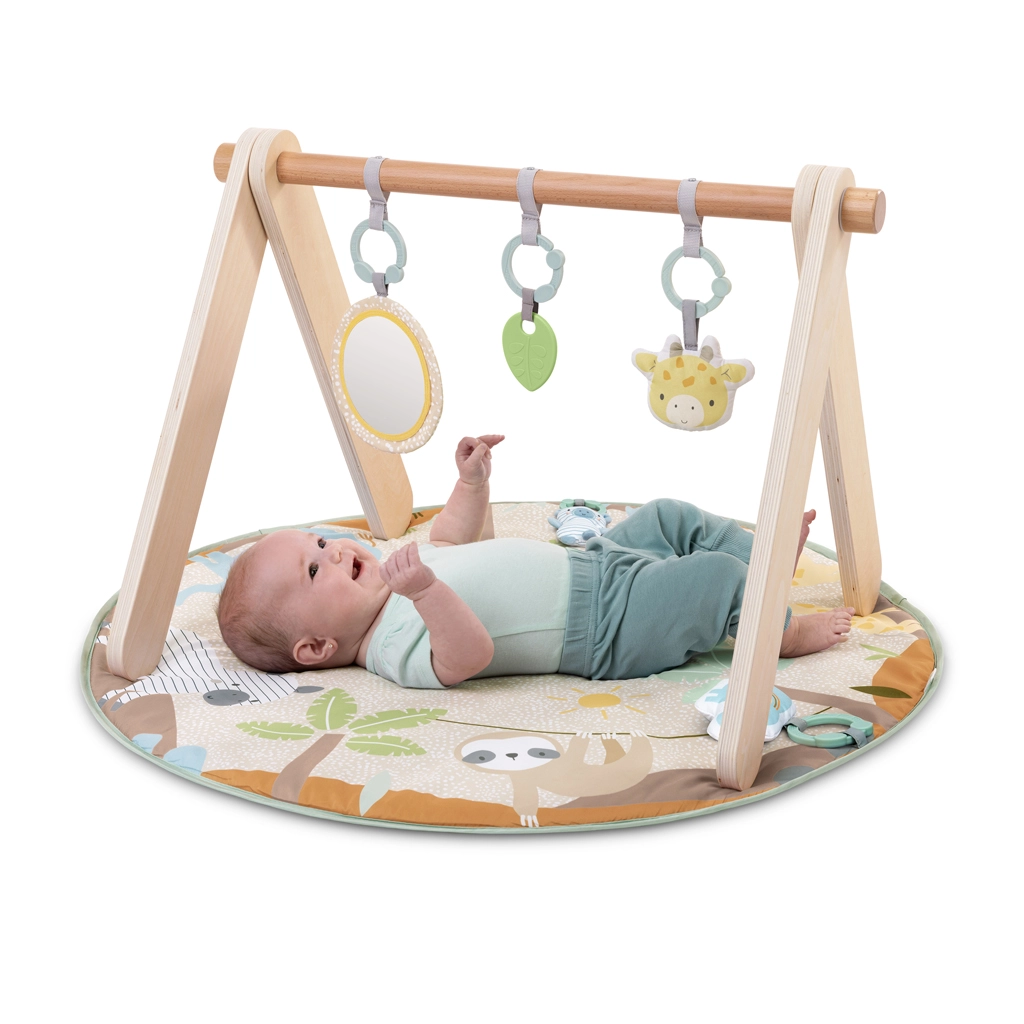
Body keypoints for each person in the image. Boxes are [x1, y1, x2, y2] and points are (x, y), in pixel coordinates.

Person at [217, 434, 853, 687]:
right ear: (316, 647)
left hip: (593, 563)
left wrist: (471, 485)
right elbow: (467, 656)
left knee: (667, 515)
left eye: (319, 544)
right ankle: (780, 630)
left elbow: (455, 539)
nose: (332, 552)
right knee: (714, 580)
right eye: (313, 570)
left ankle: (763, 564)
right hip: (604, 630)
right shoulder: (389, 647)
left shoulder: (395, 573)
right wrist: (425, 592)